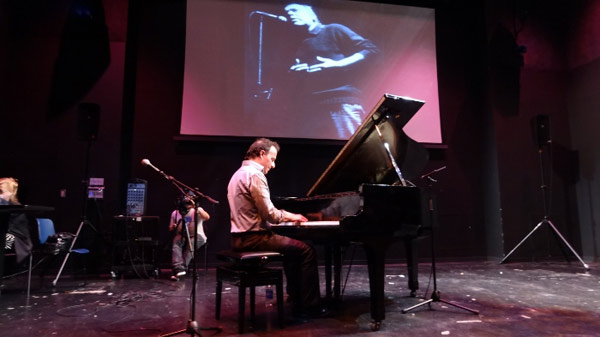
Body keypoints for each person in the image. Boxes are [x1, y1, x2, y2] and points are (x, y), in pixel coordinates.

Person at [227, 138, 327, 317]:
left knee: (293, 249)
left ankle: (295, 297)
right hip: (254, 238)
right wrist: (292, 216)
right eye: (272, 159)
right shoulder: (255, 175)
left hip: (238, 239)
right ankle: (310, 307)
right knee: (306, 250)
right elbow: (270, 215)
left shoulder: (238, 174)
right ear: (261, 154)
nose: (273, 165)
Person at [285, 3, 379, 138]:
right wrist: (300, 70)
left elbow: (370, 49)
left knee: (351, 147)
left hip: (341, 102)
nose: (290, 14)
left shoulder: (333, 29)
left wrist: (339, 64)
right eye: (288, 13)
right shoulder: (304, 43)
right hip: (314, 105)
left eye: (294, 10)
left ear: (311, 14)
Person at [168, 195, 209, 281]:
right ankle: (178, 268)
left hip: (197, 235)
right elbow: (170, 228)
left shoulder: (197, 210)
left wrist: (195, 207)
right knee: (176, 243)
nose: (187, 206)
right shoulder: (175, 213)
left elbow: (207, 217)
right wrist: (174, 226)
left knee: (190, 247)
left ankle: (181, 270)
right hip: (182, 234)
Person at [1, 177, 32, 264]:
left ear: (10, 192)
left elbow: (12, 230)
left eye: (1, 191)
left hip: (17, 240)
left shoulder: (16, 208)